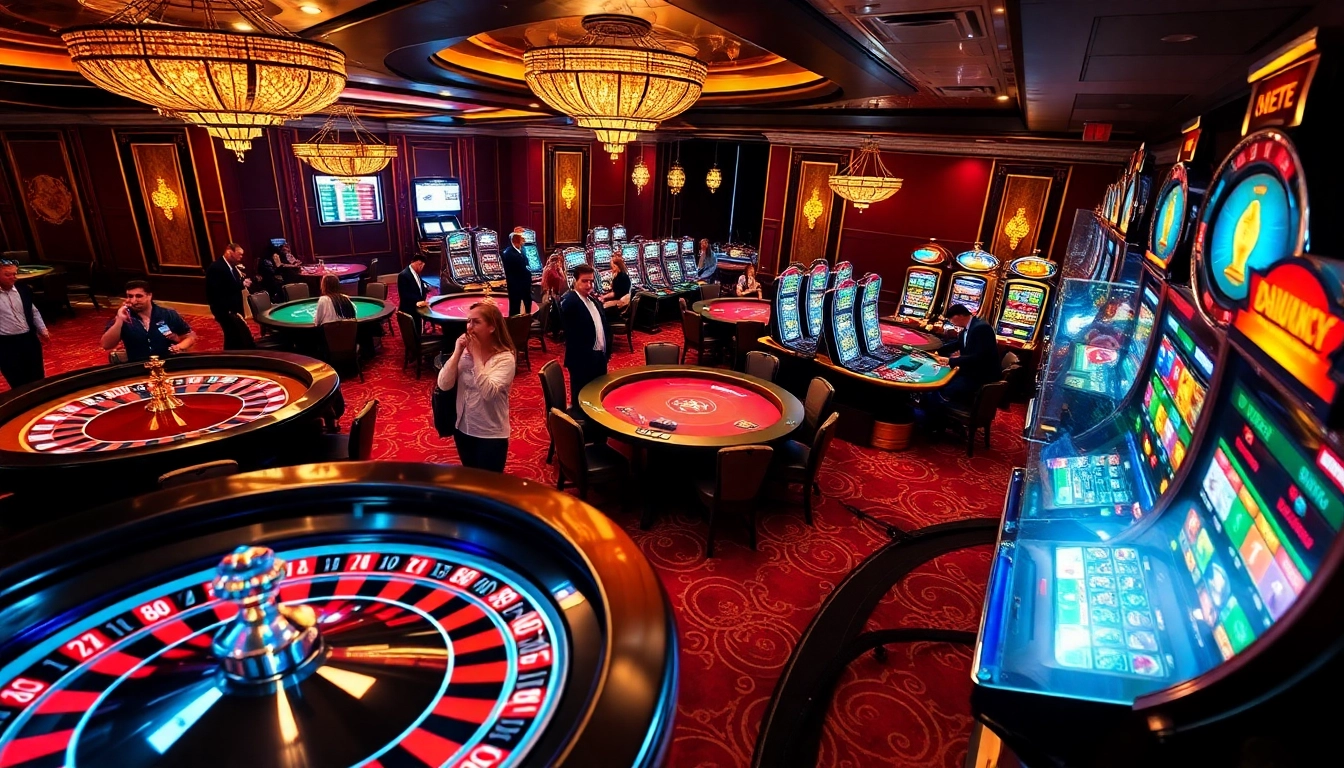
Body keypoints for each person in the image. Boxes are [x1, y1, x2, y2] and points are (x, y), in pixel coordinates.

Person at [437, 301, 516, 472]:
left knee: (489, 483)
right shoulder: (465, 352)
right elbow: (443, 384)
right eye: (468, 321)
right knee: (470, 478)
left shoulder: (505, 359)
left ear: (492, 327)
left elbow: (488, 393)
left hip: (490, 434)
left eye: (476, 322)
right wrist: (457, 352)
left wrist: (477, 357)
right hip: (463, 428)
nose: (469, 327)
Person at [101, 280, 197, 362]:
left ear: (149, 295)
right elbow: (106, 345)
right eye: (130, 296)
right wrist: (119, 320)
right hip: (138, 368)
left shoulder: (168, 314)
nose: (133, 301)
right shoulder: (122, 317)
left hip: (167, 365)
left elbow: (190, 337)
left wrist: (179, 346)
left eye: (138, 296)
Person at [559, 263, 611, 407]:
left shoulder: (591, 300)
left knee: (598, 396)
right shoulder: (570, 301)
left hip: (599, 357)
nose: (589, 285)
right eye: (584, 281)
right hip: (582, 360)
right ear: (575, 281)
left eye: (591, 281)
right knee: (581, 400)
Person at [0, 261, 50, 388]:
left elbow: (33, 311)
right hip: (5, 344)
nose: (13, 277)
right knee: (18, 382)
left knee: (38, 378)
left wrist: (42, 329)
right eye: (7, 275)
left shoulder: (24, 289)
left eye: (14, 274)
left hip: (29, 339)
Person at [205, 243, 250, 320]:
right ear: (229, 252)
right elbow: (217, 291)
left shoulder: (232, 266)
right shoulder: (215, 267)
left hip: (236, 308)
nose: (241, 257)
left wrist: (243, 283)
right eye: (239, 254)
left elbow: (233, 284)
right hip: (225, 310)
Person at [501, 231, 532, 317]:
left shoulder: (521, 250)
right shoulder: (509, 253)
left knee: (527, 302)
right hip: (515, 284)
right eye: (522, 240)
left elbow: (526, 263)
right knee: (515, 305)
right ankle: (515, 321)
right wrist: (527, 271)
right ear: (516, 241)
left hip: (523, 283)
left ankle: (527, 318)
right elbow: (520, 267)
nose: (524, 241)